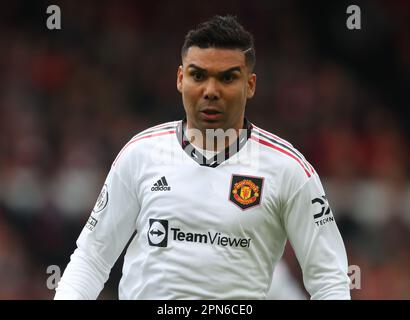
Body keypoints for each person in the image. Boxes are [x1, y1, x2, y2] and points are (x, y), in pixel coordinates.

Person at [54, 15, 350, 300]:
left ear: (250, 85)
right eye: (198, 75)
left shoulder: (288, 170)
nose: (211, 91)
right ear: (181, 79)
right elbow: (92, 258)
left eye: (227, 78)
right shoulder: (140, 154)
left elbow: (330, 280)